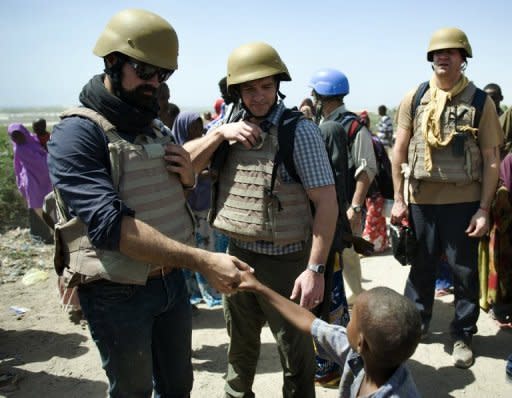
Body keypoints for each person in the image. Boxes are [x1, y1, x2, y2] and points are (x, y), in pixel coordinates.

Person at [46, 9, 251, 397]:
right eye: (145, 71)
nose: (154, 83)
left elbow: (161, 196)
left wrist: (187, 179)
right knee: (133, 391)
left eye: (163, 75)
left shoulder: (151, 125)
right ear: (112, 61)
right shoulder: (77, 134)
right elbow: (111, 228)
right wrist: (204, 260)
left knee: (177, 387)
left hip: (170, 282)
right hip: (117, 291)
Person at [185, 41, 338, 398]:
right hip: (236, 254)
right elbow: (186, 166)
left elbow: (326, 202)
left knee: (295, 355)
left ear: (278, 86)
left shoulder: (298, 131)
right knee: (239, 347)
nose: (258, 97)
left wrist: (314, 270)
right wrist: (220, 133)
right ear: (236, 91)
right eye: (249, 89)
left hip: (286, 261)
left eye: (266, 87)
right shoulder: (226, 125)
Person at [391, 27, 503, 369]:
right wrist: (398, 198)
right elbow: (399, 150)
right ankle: (417, 325)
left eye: (451, 52)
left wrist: (484, 209)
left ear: (463, 59)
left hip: (463, 201)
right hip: (422, 199)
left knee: (464, 271)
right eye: (437, 52)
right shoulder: (415, 97)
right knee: (420, 267)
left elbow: (491, 159)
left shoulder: (479, 102)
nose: (442, 56)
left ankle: (462, 333)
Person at [238, 272, 422, 397]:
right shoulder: (361, 355)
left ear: (361, 343)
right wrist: (259, 288)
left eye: (352, 319)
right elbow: (310, 322)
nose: (346, 323)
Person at [309, 68, 378, 305]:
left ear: (321, 97)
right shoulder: (323, 123)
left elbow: (366, 170)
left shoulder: (354, 127)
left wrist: (356, 207)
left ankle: (359, 298)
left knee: (347, 252)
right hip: (328, 202)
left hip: (347, 204)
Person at [171, 111, 223, 307]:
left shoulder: (205, 146)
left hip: (204, 207)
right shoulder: (177, 150)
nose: (198, 132)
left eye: (199, 128)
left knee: (206, 250)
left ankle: (208, 290)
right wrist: (203, 175)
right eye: (193, 128)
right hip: (187, 209)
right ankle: (195, 291)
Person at [7, 123, 53, 243]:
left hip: (44, 181)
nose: (18, 138)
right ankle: (48, 234)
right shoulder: (21, 149)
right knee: (37, 208)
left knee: (47, 206)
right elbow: (40, 164)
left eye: (19, 135)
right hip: (33, 182)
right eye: (14, 136)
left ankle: (50, 233)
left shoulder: (33, 139)